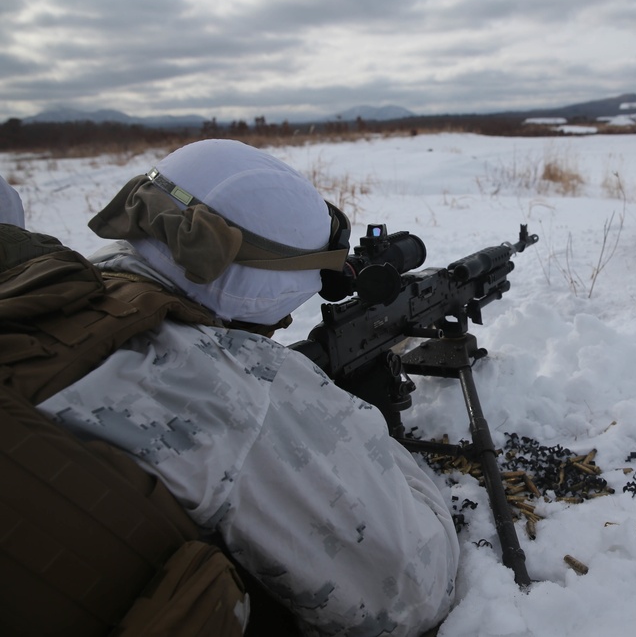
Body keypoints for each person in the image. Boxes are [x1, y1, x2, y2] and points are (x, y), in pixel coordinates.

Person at [33, 139, 459, 636]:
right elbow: (412, 589)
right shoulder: (235, 392)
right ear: (270, 291)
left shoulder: (51, 293)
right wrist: (360, 437)